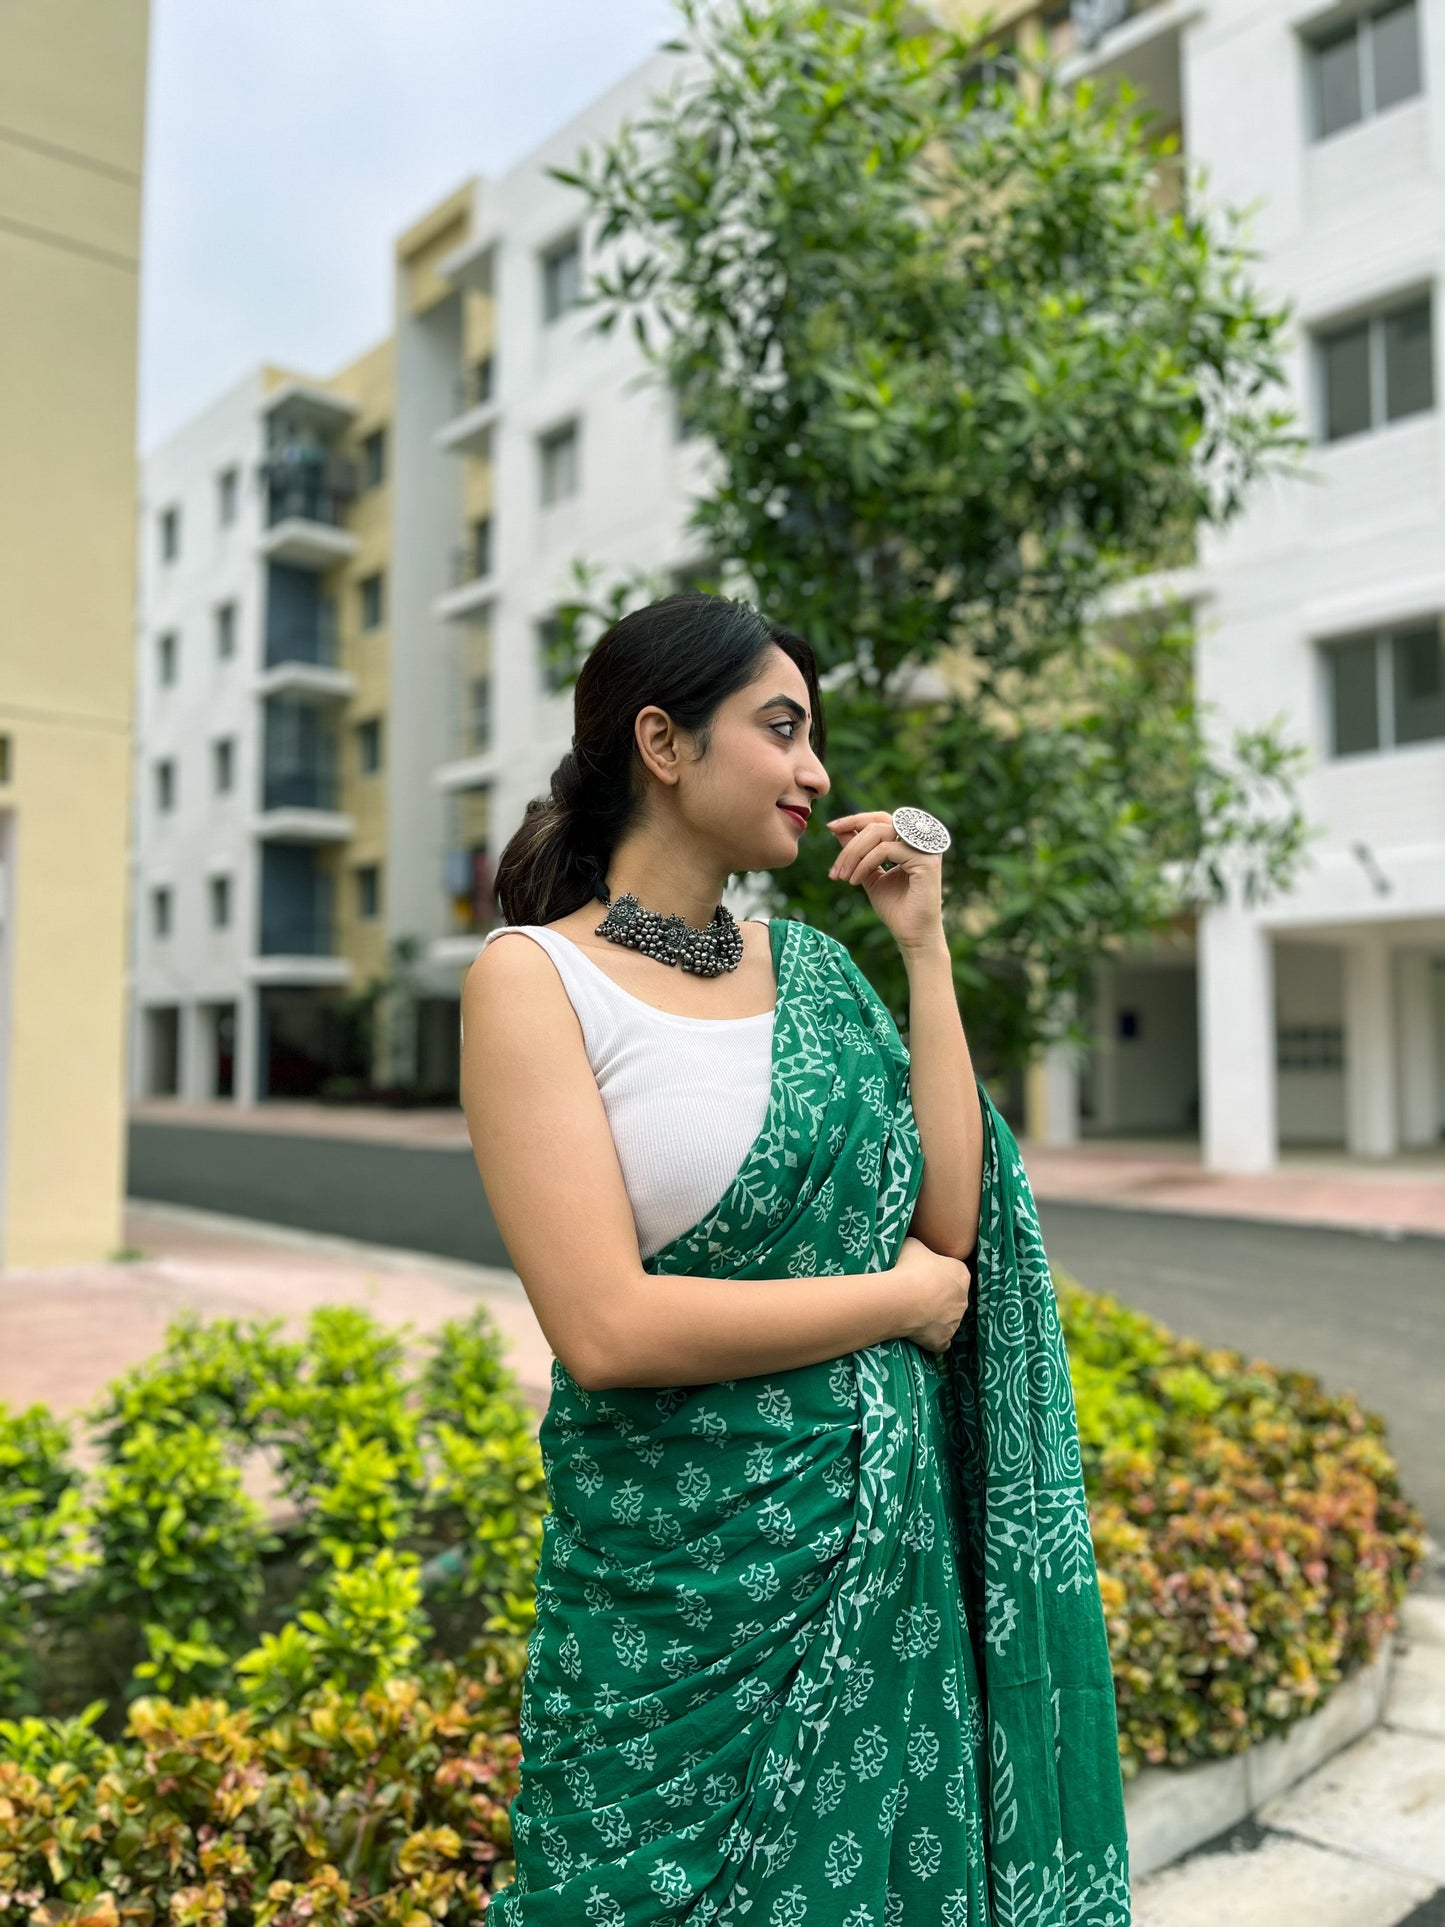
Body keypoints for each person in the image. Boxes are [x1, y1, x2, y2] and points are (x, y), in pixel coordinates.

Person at [461, 593, 1129, 1925]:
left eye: (812, 735)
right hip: (674, 1609)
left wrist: (922, 946)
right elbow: (604, 1327)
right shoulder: (534, 982)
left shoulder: (817, 972)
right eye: (781, 728)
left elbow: (952, 1218)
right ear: (662, 741)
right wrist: (897, 1301)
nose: (816, 771)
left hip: (879, 1570)